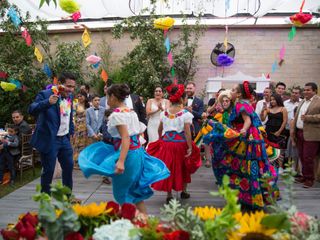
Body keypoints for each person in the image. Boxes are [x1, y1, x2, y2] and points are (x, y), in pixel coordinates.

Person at [78, 84, 169, 215]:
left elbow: (125, 137)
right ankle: (144, 224)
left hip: (128, 154)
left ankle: (131, 226)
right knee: (135, 192)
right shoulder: (130, 111)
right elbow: (137, 133)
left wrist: (121, 161)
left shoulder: (117, 115)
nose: (106, 100)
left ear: (113, 96)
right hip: (137, 152)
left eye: (107, 96)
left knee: (122, 193)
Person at [203, 81, 278, 210]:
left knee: (243, 166)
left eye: (233, 90)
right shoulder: (240, 104)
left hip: (246, 138)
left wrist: (243, 129)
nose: (230, 92)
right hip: (247, 137)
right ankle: (246, 196)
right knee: (243, 166)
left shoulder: (241, 105)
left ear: (238, 94)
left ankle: (249, 198)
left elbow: (248, 120)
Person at [147, 84, 201, 204]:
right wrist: (190, 147)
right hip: (180, 144)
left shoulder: (164, 113)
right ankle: (184, 191)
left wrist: (161, 139)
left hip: (167, 143)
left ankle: (169, 194)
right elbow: (187, 133)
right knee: (183, 166)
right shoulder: (185, 114)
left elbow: (159, 129)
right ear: (182, 99)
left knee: (169, 167)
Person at [28, 72, 76, 195]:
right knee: (48, 170)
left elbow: (68, 115)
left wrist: (71, 130)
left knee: (69, 167)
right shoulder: (45, 94)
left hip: (64, 139)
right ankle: (46, 199)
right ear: (59, 84)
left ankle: (67, 198)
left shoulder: (69, 96)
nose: (71, 89)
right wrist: (47, 103)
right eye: (68, 86)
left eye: (73, 87)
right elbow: (31, 109)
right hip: (50, 139)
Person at [292, 82, 320, 188]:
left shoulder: (318, 101)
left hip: (312, 134)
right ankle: (304, 176)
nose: (306, 92)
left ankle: (310, 179)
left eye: (308, 90)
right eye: (305, 90)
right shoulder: (302, 101)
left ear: (315, 91)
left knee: (308, 157)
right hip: (299, 132)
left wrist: (309, 118)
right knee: (302, 156)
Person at [261, 94, 288, 173]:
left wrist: (279, 131)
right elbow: (262, 119)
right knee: (270, 148)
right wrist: (263, 109)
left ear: (278, 100)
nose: (272, 101)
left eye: (274, 100)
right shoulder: (268, 109)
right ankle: (270, 165)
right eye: (271, 100)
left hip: (279, 131)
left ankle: (280, 167)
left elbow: (285, 121)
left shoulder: (283, 109)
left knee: (279, 149)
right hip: (269, 131)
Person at [72, 91, 90, 169]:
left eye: (81, 96)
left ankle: (85, 162)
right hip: (78, 127)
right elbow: (73, 117)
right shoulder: (75, 106)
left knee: (87, 144)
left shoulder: (89, 105)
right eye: (78, 96)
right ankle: (77, 163)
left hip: (87, 127)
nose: (79, 98)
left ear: (85, 97)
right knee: (78, 144)